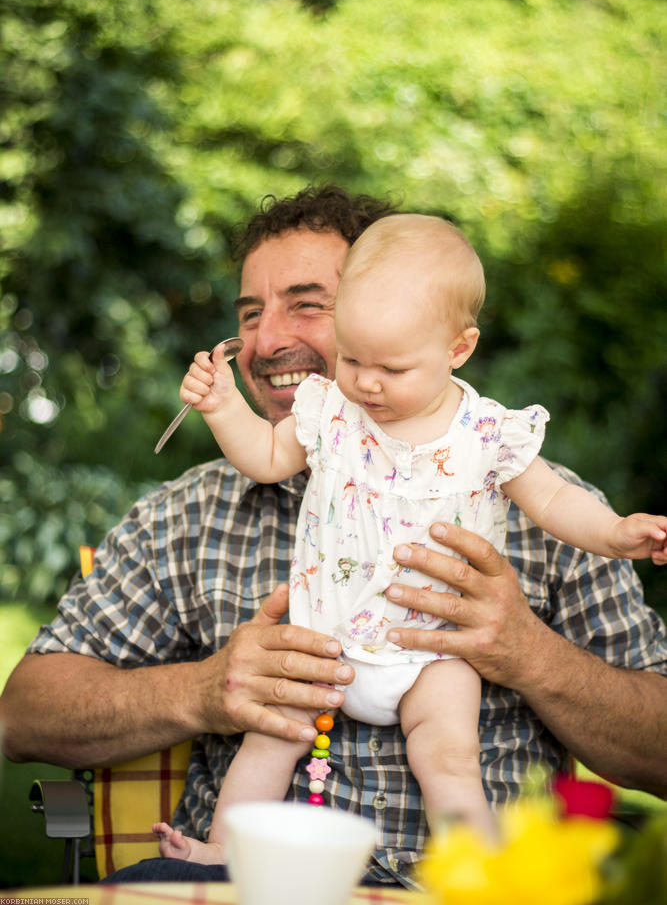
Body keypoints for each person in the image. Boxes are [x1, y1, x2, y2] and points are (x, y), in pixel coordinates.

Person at [1, 185, 666, 890]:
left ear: (444, 341)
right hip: (240, 888)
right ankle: (219, 843)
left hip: (449, 894)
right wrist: (203, 691)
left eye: (305, 303)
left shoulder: (514, 480)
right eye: (249, 314)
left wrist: (532, 654)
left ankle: (475, 861)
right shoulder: (187, 513)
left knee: (449, 755)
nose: (264, 339)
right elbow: (22, 716)